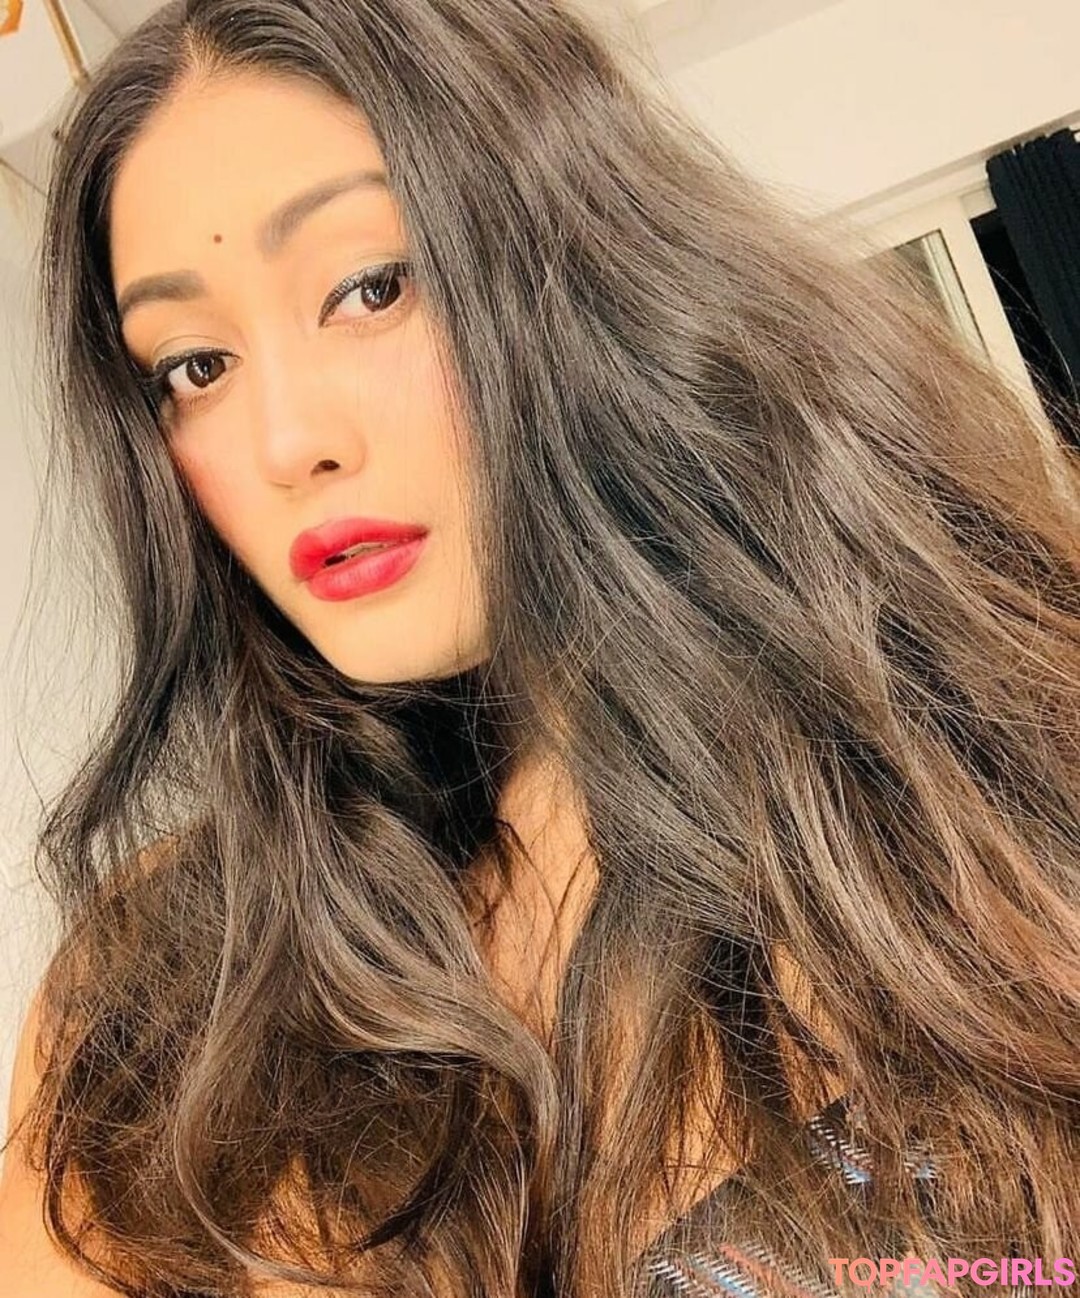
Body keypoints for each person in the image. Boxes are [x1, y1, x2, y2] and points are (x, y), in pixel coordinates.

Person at [2, 1, 1078, 1295]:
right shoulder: (159, 990)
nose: (287, 444)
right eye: (194, 366)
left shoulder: (985, 783)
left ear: (593, 271)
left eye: (372, 287)